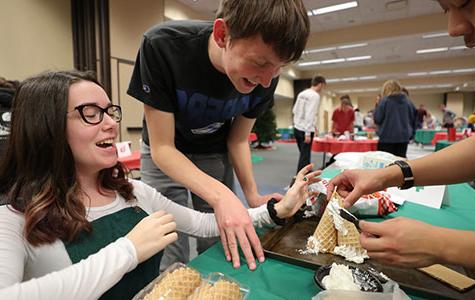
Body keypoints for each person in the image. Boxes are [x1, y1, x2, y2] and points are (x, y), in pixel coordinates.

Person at [0, 70, 323, 299]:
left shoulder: (134, 193)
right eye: (91, 113)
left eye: (110, 111)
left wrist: (277, 210)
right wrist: (128, 250)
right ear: (47, 127)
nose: (112, 124)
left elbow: (206, 223)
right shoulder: (14, 219)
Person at [327, 0, 475, 280]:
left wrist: (441, 244)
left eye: (464, 2)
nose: (454, 28)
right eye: (446, 10)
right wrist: (386, 176)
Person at [127, 0, 310, 270]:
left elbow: (237, 140)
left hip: (213, 149)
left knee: (220, 235)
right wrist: (222, 195)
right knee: (166, 239)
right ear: (223, 35)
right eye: (260, 63)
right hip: (164, 149)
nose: (267, 81)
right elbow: (162, 148)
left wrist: (252, 194)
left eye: (278, 67)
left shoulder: (266, 76)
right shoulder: (163, 46)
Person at [373, 80, 417, 158]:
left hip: (387, 138)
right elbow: (414, 120)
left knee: (385, 162)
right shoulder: (408, 102)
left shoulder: (385, 101)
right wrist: (411, 134)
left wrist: (377, 106)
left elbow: (377, 119)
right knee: (400, 161)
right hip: (403, 138)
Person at [292, 75, 326, 173]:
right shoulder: (315, 96)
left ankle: (308, 172)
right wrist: (307, 133)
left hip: (297, 128)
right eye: (323, 86)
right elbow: (310, 114)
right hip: (305, 130)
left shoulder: (302, 93)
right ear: (320, 84)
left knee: (304, 155)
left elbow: (294, 110)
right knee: (304, 157)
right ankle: (299, 179)